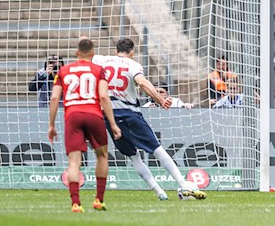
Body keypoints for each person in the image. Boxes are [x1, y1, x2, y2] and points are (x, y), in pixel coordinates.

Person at [91, 37, 207, 200]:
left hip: (108, 116)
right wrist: (160, 99)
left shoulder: (101, 60)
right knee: (157, 149)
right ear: (132, 52)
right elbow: (142, 83)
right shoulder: (133, 65)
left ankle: (160, 192)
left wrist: (89, 42)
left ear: (116, 50)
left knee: (133, 156)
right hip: (128, 114)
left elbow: (87, 55)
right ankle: (183, 184)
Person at [48, 39, 121, 213]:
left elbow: (54, 98)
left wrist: (51, 125)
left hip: (73, 116)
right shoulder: (98, 70)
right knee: (102, 156)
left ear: (76, 53)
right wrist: (112, 123)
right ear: (93, 53)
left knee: (74, 162)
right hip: (94, 115)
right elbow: (104, 97)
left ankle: (76, 203)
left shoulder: (64, 71)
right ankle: (98, 200)